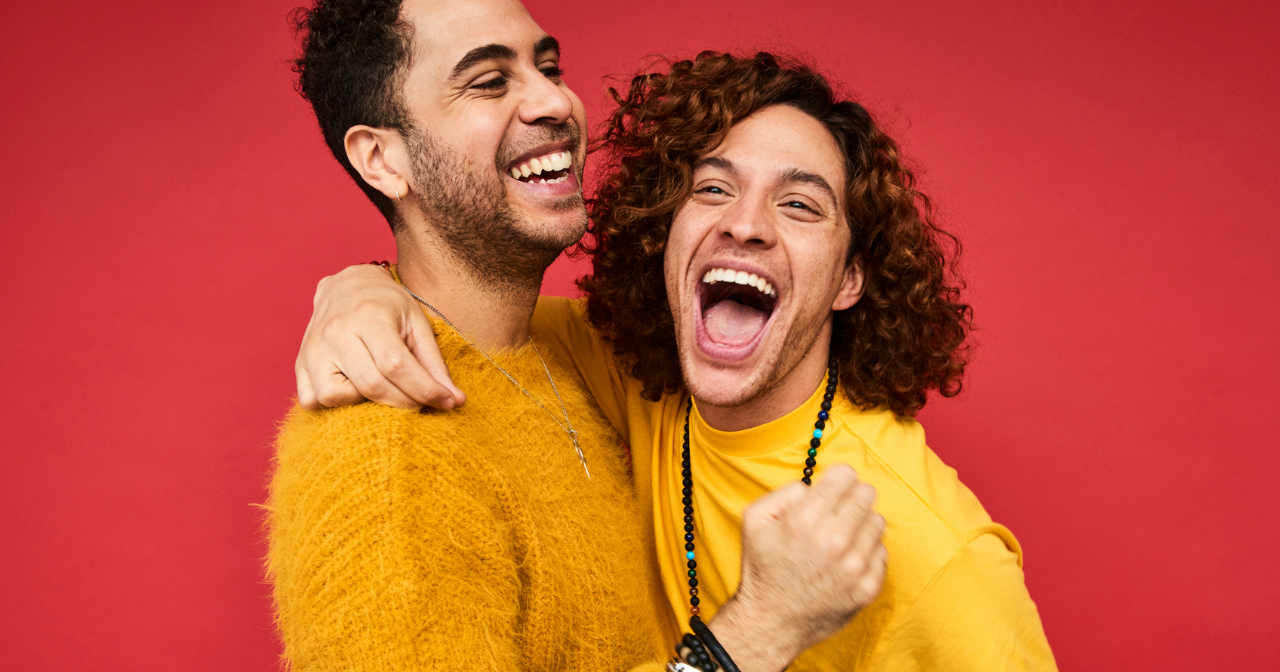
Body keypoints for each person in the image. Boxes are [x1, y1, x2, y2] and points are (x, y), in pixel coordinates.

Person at [298, 50, 1060, 670]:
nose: (746, 224)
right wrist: (358, 290)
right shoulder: (628, 371)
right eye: (713, 188)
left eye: (799, 205)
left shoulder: (941, 563)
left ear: (850, 279)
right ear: (668, 234)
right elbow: (458, 312)